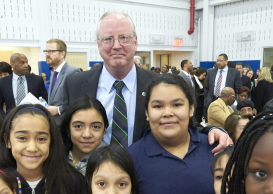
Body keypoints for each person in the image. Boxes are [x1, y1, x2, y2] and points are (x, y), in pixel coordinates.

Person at [62, 11, 230, 151]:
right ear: (98, 44)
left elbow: (186, 125)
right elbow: (64, 133)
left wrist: (212, 130)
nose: (117, 45)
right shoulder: (75, 84)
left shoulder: (160, 84)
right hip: (93, 182)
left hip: (147, 179)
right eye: (108, 39)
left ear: (135, 42)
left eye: (124, 37)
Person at [127, 74, 219, 194]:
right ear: (147, 113)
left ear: (191, 109)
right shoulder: (131, 158)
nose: (167, 113)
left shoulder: (215, 149)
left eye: (177, 105)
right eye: (158, 106)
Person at [60, 96, 108, 175]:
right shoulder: (54, 158)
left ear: (104, 131)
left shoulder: (112, 164)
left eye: (95, 127)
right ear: (68, 129)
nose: (87, 135)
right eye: (78, 126)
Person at [44, 39, 81, 126]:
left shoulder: (72, 72)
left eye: (51, 51)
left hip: (66, 125)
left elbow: (78, 101)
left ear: (62, 54)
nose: (47, 54)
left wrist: (58, 110)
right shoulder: (53, 75)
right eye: (46, 51)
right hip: (54, 125)